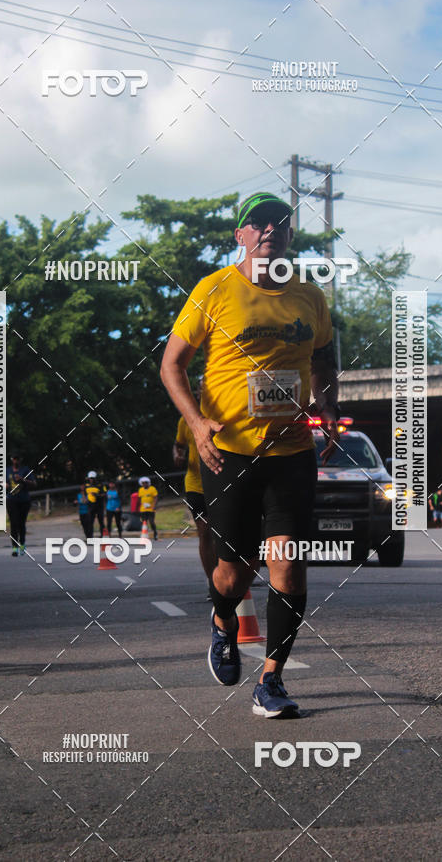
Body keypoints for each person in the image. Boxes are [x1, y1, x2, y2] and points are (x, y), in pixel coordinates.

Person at [161, 190, 339, 717]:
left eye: (279, 223)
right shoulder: (213, 290)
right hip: (230, 454)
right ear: (239, 235)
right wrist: (196, 425)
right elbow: (172, 365)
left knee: (288, 566)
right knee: (233, 574)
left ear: (289, 235)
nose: (269, 231)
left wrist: (327, 406)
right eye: (257, 223)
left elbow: (326, 359)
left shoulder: (309, 296)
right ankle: (222, 621)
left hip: (291, 451)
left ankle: (272, 681)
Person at [174, 408, 217, 598]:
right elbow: (179, 445)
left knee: (225, 534)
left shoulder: (225, 415)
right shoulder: (187, 420)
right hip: (196, 485)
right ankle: (213, 582)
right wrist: (178, 456)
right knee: (205, 530)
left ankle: (228, 576)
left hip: (223, 483)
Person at [6, 453, 37, 555]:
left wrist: (23, 480)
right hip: (11, 500)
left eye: (18, 459)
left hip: (24, 501)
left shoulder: (26, 470)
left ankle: (22, 544)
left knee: (21, 524)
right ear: (12, 460)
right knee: (13, 524)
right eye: (14, 459)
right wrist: (4, 485)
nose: (16, 461)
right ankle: (14, 548)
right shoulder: (7, 470)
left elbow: (34, 483)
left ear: (21, 460)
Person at [85, 471, 105, 535]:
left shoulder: (100, 485)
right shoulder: (86, 486)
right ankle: (90, 538)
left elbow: (104, 494)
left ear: (95, 478)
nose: (91, 479)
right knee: (90, 522)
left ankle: (103, 536)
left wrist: (97, 495)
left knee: (101, 522)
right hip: (90, 507)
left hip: (99, 506)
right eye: (90, 478)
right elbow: (85, 495)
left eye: (92, 478)